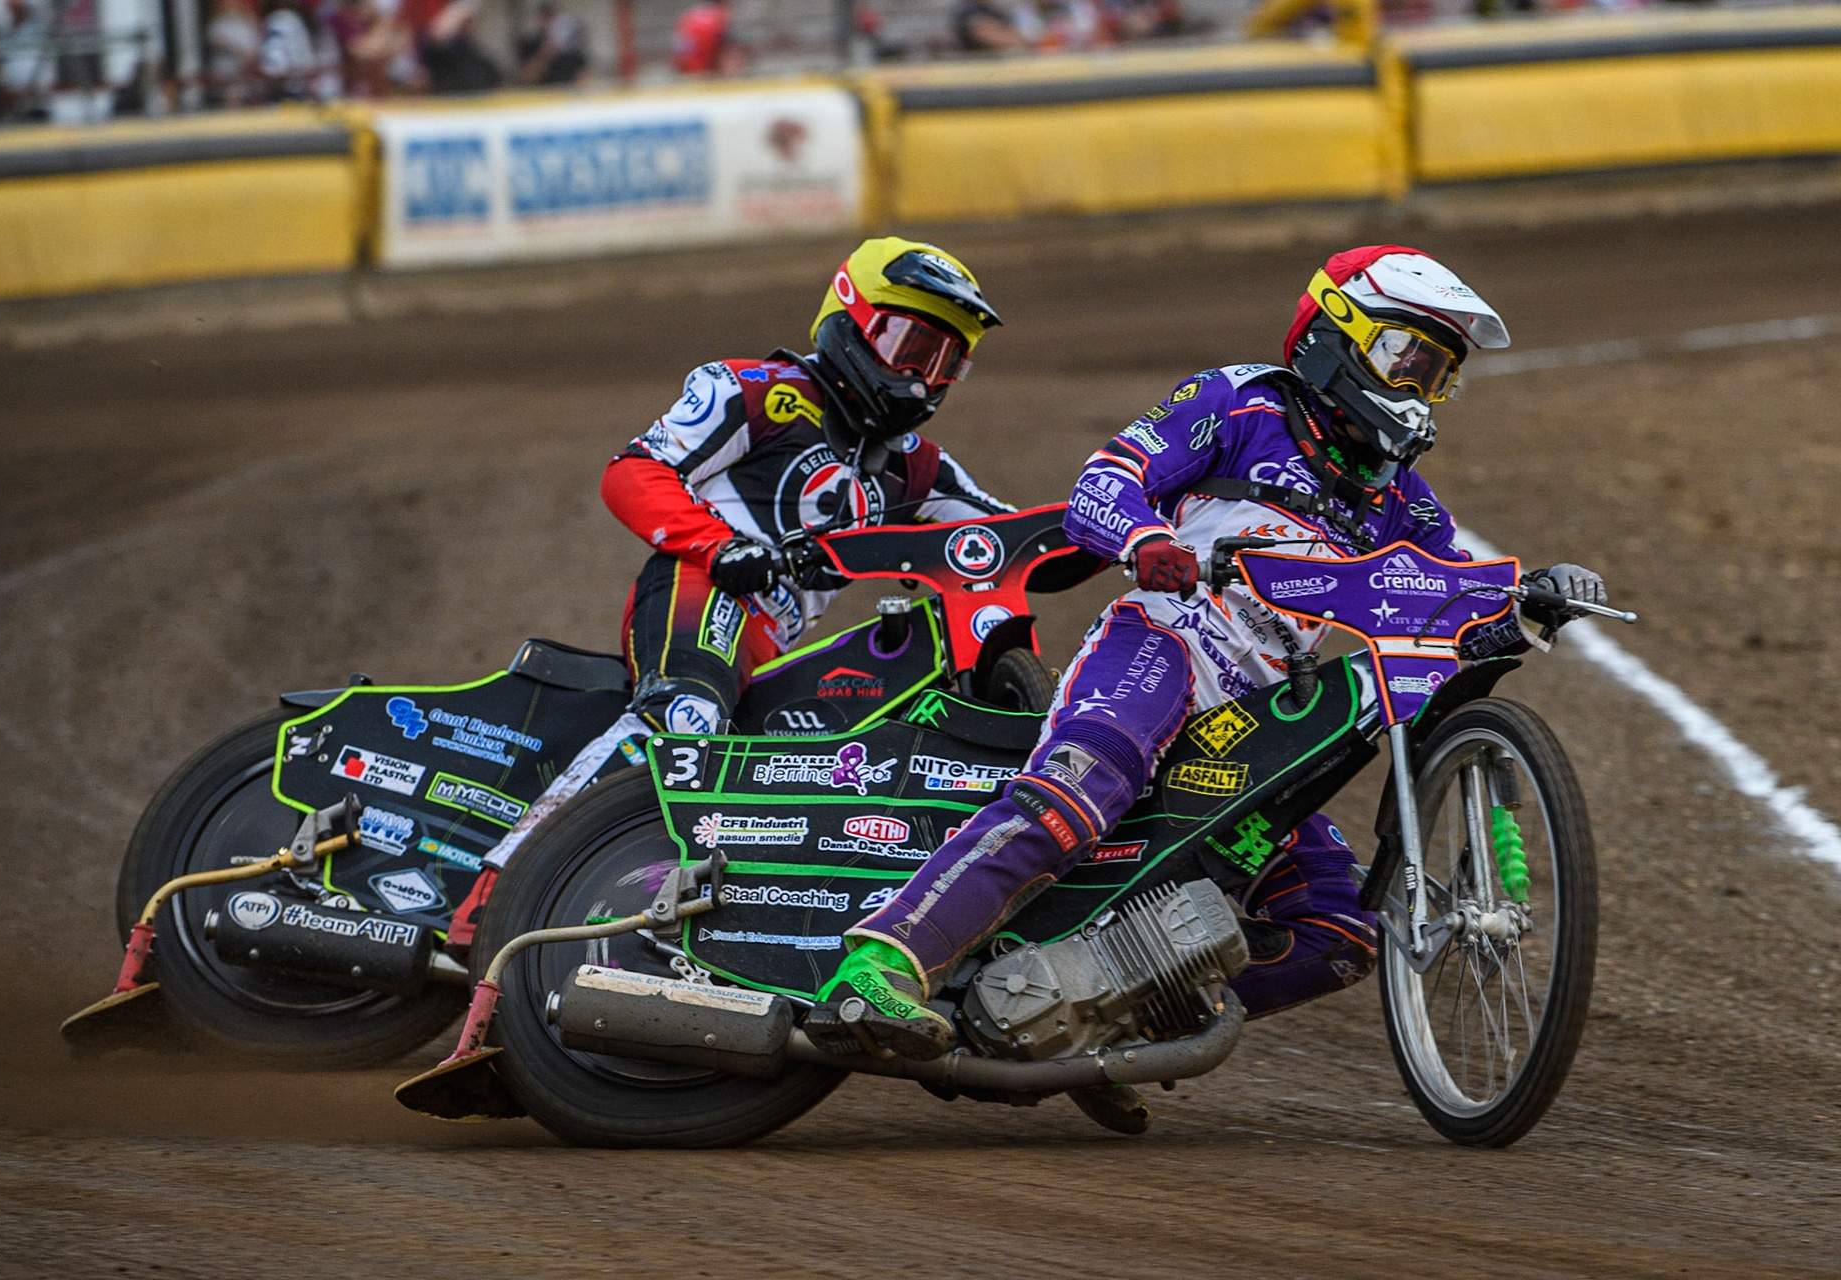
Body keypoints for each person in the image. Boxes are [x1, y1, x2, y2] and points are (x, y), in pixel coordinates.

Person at [802, 246, 1607, 1096]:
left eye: (1437, 372)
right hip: (1161, 646)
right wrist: (1148, 540)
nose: (1416, 388)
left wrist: (1530, 601)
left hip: (1256, 726)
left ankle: (1092, 1018)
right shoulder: (1242, 402)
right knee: (1076, 796)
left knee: (1340, 928)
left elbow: (1451, 610)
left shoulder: (1401, 498)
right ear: (1337, 336)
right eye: (1404, 358)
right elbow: (1104, 483)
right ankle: (876, 968)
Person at [446, 238, 1014, 947]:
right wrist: (720, 544)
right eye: (909, 344)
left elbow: (1011, 538)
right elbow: (633, 472)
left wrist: (1142, 537)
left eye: (943, 361)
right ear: (850, 315)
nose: (920, 377)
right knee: (684, 718)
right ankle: (499, 892)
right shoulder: (754, 390)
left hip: (766, 655)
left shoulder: (920, 471)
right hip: (699, 589)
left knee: (788, 779)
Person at [518, 0, 587, 85]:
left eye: (552, 15)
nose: (549, 20)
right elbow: (527, 78)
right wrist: (546, 52)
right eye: (545, 15)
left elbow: (584, 77)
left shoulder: (571, 47)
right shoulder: (530, 44)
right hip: (541, 94)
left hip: (567, 93)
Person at [672, 0, 743, 75]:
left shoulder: (689, 16)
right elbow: (726, 55)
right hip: (703, 71)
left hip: (688, 71)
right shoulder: (717, 18)